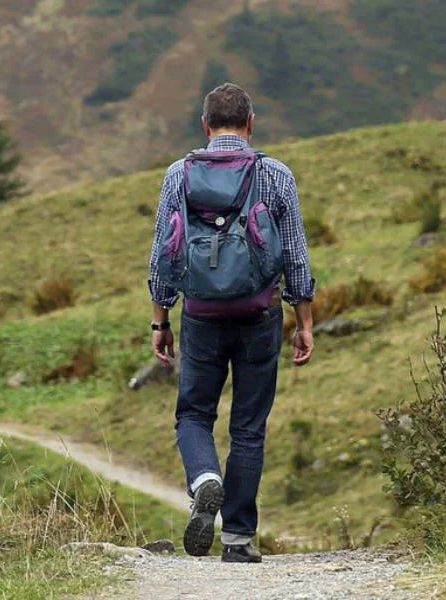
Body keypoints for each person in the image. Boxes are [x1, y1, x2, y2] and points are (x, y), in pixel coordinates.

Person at [148, 83, 316, 563]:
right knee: (248, 427)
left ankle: (205, 479)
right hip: (259, 314)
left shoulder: (178, 174)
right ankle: (238, 539)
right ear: (251, 123)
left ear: (205, 126)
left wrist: (161, 320)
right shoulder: (276, 174)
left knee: (194, 414)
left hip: (200, 315)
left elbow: (163, 252)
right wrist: (303, 319)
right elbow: (296, 255)